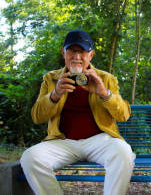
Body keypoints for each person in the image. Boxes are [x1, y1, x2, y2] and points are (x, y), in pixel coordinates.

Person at [20, 30, 136, 195]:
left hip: (100, 141)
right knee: (30, 157)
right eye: (72, 51)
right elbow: (37, 117)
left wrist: (104, 93)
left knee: (123, 152)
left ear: (91, 54)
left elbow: (123, 115)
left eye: (82, 51)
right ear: (63, 52)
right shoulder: (51, 79)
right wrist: (55, 95)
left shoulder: (106, 79)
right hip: (63, 142)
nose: (77, 56)